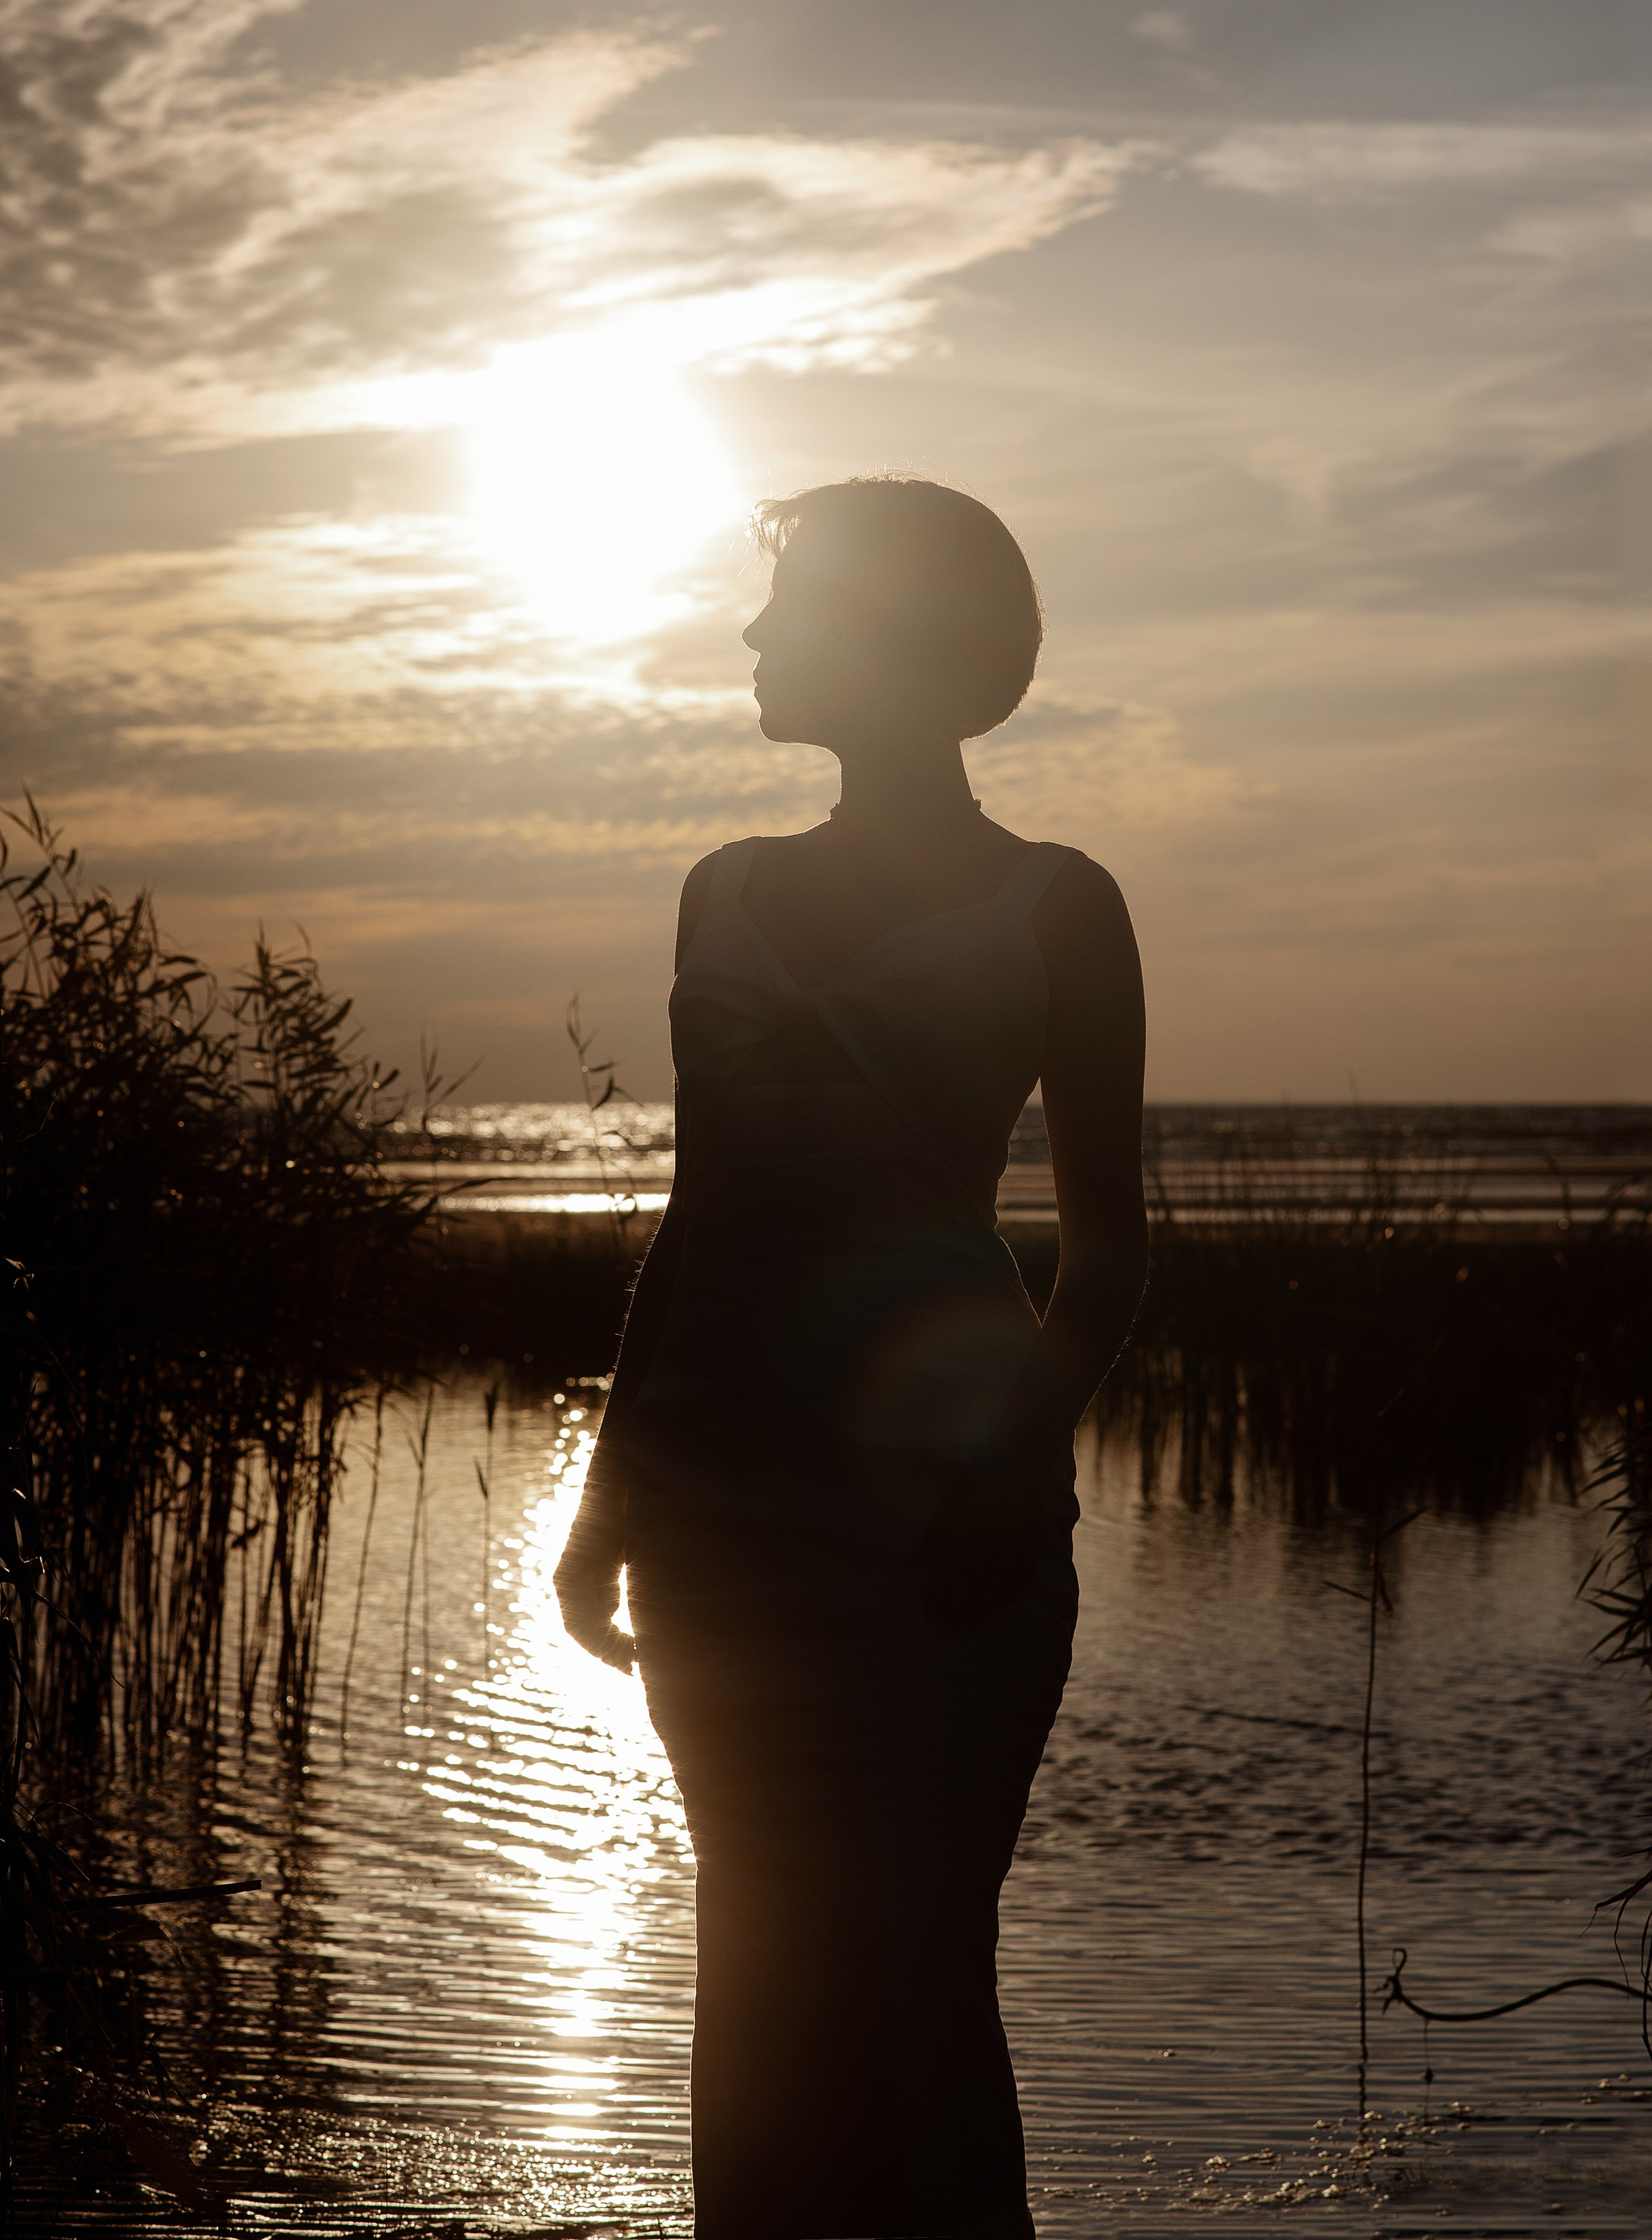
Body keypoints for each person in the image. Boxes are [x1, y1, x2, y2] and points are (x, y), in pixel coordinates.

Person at [555, 476, 1148, 2240]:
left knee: (911, 1990)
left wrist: (1001, 1467)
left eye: (789, 603)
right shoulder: (720, 889)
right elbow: (703, 1221)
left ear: (890, 639)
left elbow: (1110, 1248)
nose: (749, 636)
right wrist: (608, 1497)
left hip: (940, 1541)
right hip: (727, 1529)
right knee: (753, 1977)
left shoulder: (1059, 904)